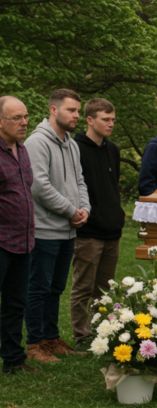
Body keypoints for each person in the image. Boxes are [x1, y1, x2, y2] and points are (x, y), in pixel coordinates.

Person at [24, 89, 91, 363]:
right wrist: (69, 210)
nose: (76, 115)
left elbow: (80, 182)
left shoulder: (72, 144)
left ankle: (52, 339)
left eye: (77, 110)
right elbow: (39, 186)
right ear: (53, 110)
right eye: (71, 110)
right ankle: (35, 344)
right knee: (38, 288)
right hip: (44, 230)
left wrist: (84, 209)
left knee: (56, 288)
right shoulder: (36, 142)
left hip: (67, 230)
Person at [70, 99, 125, 349]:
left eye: (113, 119)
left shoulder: (113, 149)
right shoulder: (75, 148)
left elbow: (113, 188)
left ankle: (102, 332)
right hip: (89, 231)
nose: (111, 124)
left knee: (105, 289)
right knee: (83, 286)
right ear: (90, 120)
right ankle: (82, 335)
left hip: (112, 229)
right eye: (106, 119)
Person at [0, 97, 38, 374]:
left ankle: (13, 360)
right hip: (1, 241)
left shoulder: (22, 149)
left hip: (23, 242)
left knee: (16, 304)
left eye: (25, 116)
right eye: (16, 118)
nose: (24, 122)